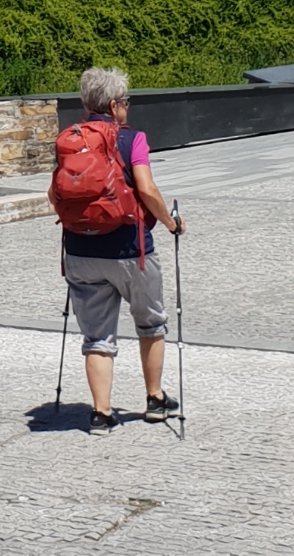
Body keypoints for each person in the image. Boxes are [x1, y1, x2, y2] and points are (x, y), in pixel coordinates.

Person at [59, 66, 183, 429]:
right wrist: (171, 222)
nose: (127, 107)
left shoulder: (69, 140)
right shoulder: (133, 140)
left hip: (81, 252)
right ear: (114, 106)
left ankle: (101, 413)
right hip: (132, 250)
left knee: (97, 336)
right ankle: (155, 399)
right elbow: (146, 189)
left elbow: (55, 194)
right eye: (126, 102)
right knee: (151, 324)